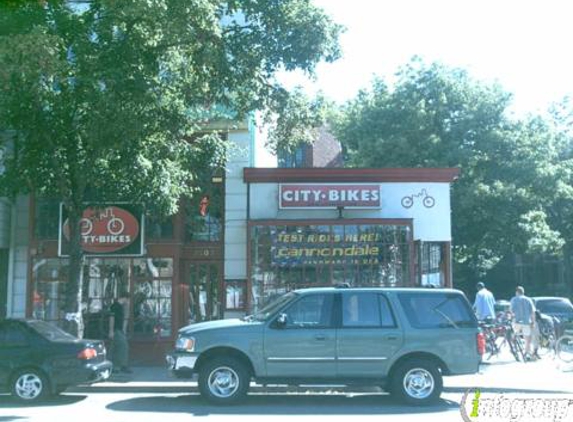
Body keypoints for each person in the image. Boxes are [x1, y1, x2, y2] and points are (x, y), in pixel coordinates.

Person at [510, 286, 536, 361]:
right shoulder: (528, 300)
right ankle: (526, 353)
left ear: (517, 292)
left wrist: (512, 316)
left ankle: (514, 349)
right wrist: (533, 322)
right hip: (526, 322)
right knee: (527, 338)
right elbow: (532, 312)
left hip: (516, 321)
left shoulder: (514, 299)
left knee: (514, 334)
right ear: (523, 292)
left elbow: (511, 311)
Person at [109, 292, 132, 373]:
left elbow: (125, 318)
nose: (128, 301)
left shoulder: (122, 307)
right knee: (123, 346)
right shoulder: (115, 306)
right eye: (128, 299)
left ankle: (115, 367)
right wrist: (111, 331)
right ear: (125, 298)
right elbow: (112, 319)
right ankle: (122, 366)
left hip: (119, 330)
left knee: (114, 348)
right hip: (116, 330)